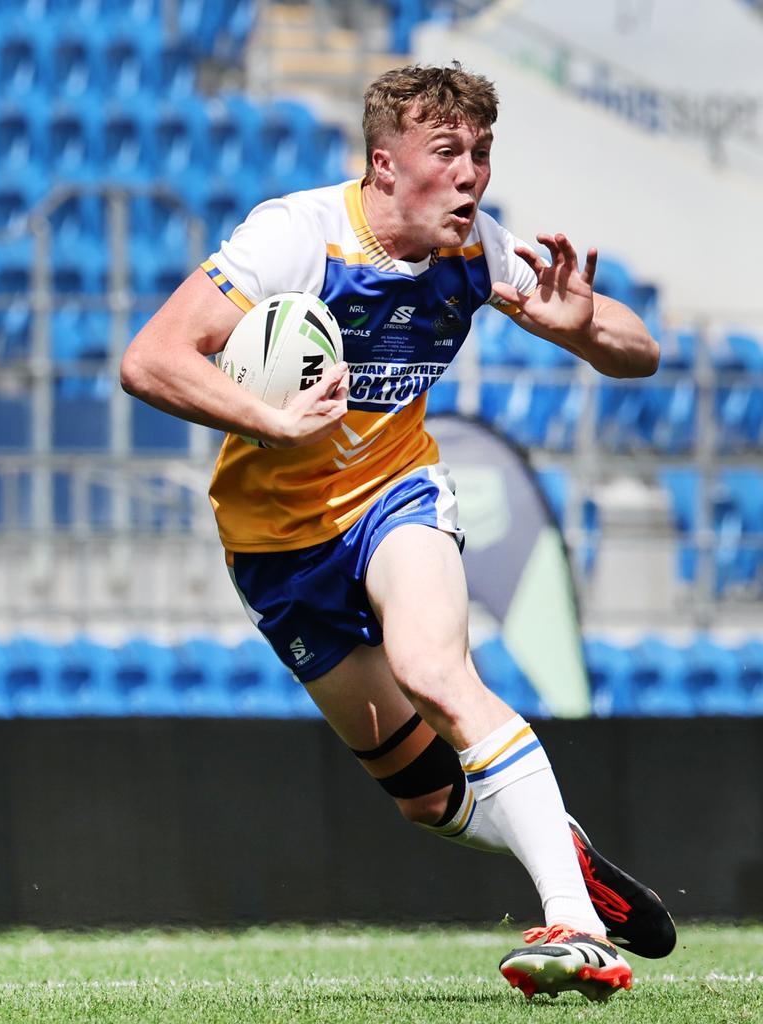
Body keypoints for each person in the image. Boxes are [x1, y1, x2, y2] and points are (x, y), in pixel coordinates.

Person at [120, 62, 673, 1001]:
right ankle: (561, 847)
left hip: (395, 498)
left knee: (436, 670)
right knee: (425, 797)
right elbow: (151, 358)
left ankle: (575, 929)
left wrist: (581, 328)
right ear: (384, 164)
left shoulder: (477, 251)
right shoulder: (297, 236)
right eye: (447, 153)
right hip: (277, 547)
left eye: (483, 155)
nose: (471, 176)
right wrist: (271, 420)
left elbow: (641, 352)